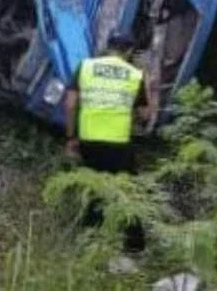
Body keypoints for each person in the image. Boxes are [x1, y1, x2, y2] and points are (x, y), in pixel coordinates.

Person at [64, 35, 153, 251]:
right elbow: (144, 115)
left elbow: (70, 104)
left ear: (107, 48)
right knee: (127, 193)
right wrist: (148, 87)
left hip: (89, 141)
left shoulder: (85, 67)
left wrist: (70, 137)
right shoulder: (135, 75)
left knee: (93, 189)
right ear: (129, 51)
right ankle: (134, 247)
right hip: (119, 144)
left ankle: (89, 242)